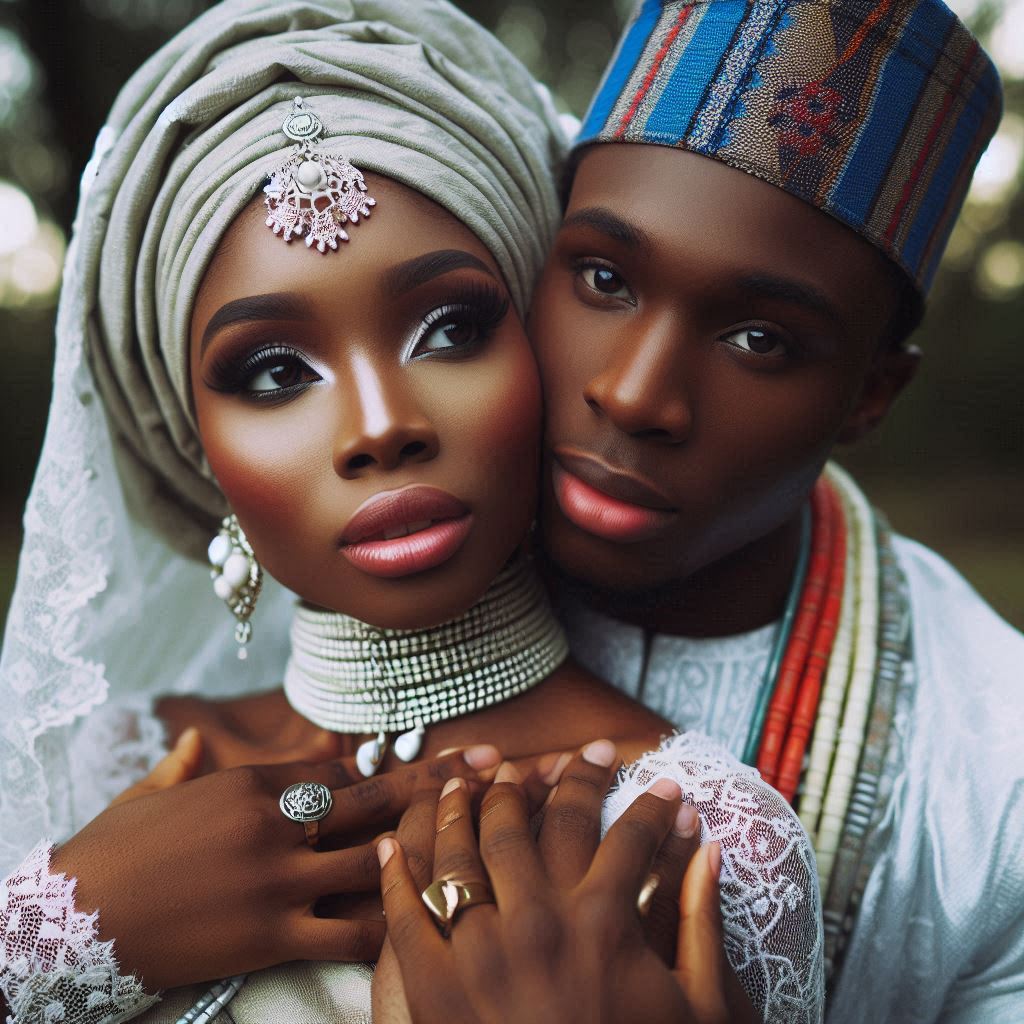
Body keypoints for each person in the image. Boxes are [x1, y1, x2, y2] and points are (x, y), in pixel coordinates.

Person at [0, 2, 822, 1022]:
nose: (381, 426)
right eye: (272, 371)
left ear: (537, 346)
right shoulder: (112, 773)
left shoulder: (697, 837)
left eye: (450, 328)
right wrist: (51, 945)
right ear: (191, 442)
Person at [527, 0, 1024, 1020]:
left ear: (869, 396)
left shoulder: (991, 775)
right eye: (604, 277)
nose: (632, 393)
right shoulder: (355, 546)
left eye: (760, 339)